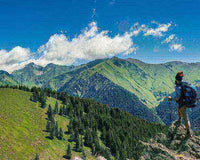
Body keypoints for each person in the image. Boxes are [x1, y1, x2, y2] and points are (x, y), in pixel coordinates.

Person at [167, 71, 191, 137]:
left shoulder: (177, 87)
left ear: (176, 79)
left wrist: (171, 98)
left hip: (183, 103)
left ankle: (188, 132)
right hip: (187, 101)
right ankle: (179, 119)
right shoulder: (184, 84)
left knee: (185, 116)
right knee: (179, 108)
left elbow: (177, 98)